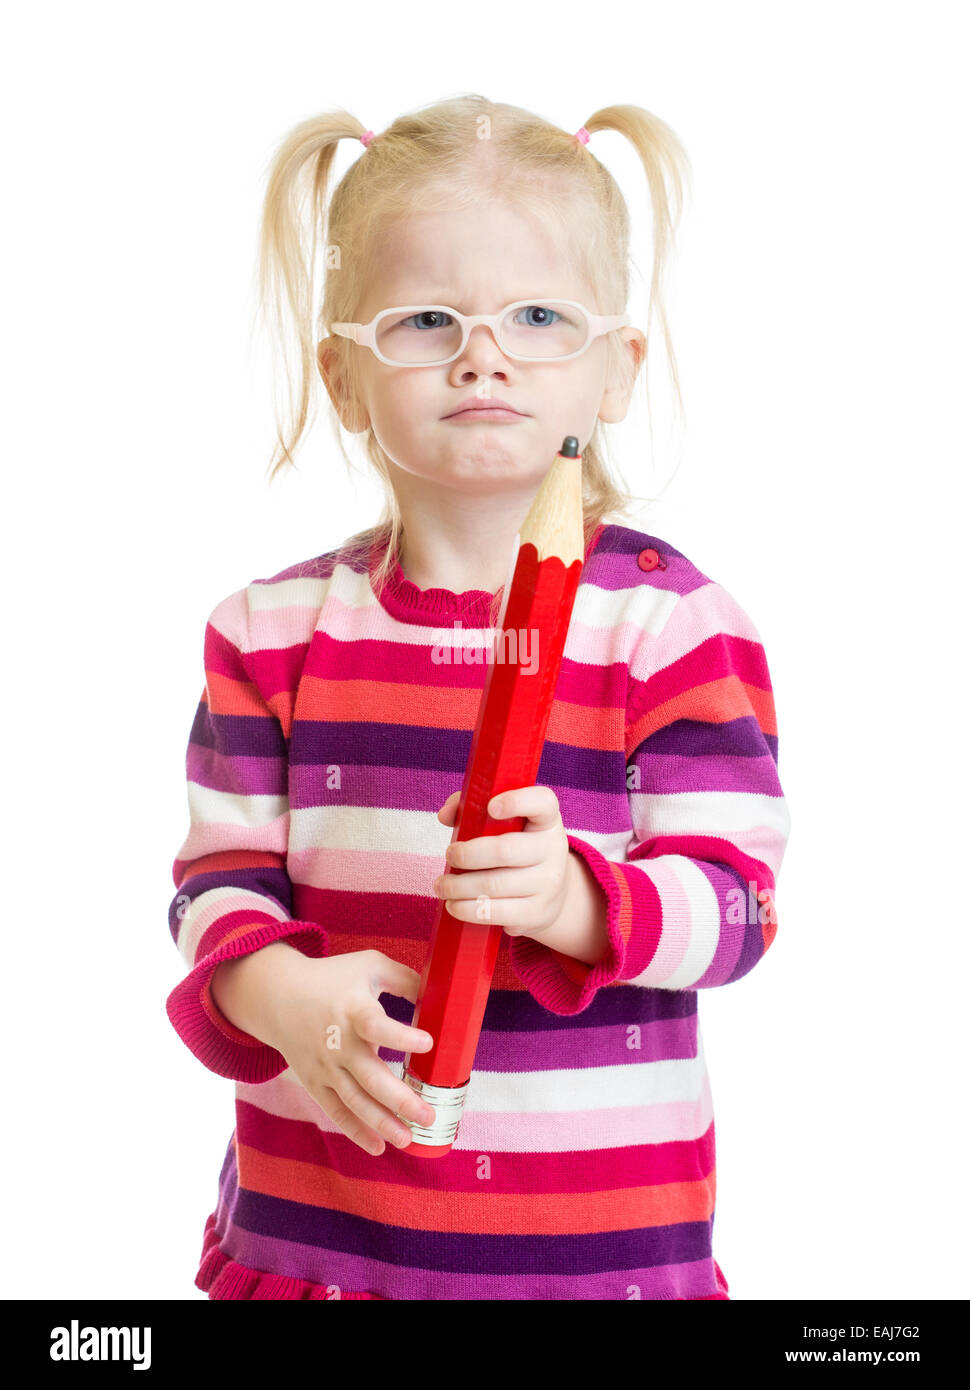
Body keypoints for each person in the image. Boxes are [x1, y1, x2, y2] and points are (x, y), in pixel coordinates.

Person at [166, 94, 791, 1301]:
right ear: (343, 376)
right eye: (426, 319)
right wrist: (273, 989)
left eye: (539, 317)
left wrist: (577, 900)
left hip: (595, 1263)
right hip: (322, 1252)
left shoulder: (668, 626)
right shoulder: (269, 632)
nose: (481, 352)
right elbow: (212, 892)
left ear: (616, 370)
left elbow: (740, 907)